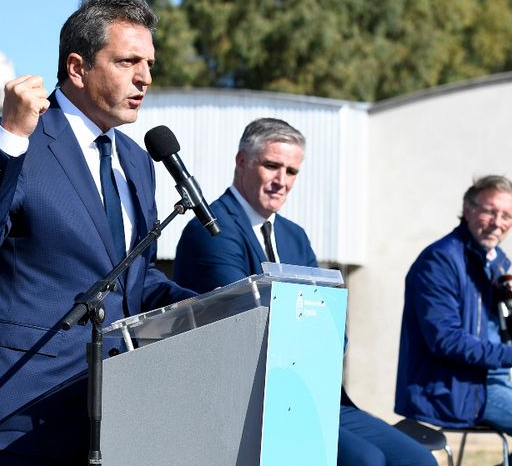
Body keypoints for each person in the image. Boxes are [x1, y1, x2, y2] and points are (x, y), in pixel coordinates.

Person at [0, 0, 197, 466]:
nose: (144, 78)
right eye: (127, 62)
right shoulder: (13, 140)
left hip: (110, 409)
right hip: (18, 406)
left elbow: (132, 278)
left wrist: (216, 305)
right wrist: (11, 139)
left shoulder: (138, 162)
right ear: (77, 68)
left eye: (149, 64)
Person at [174, 117, 438, 466]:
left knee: (418, 460)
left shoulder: (294, 235)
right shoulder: (212, 230)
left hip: (311, 393)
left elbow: (330, 319)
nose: (281, 181)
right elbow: (244, 326)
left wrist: (323, 341)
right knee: (366, 460)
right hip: (252, 401)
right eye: (272, 166)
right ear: (242, 162)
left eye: (292, 171)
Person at [396, 176, 512, 442]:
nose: (498, 223)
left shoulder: (496, 262)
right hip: (454, 388)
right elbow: (446, 340)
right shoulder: (440, 261)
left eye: (506, 215)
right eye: (489, 211)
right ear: (468, 209)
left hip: (490, 383)